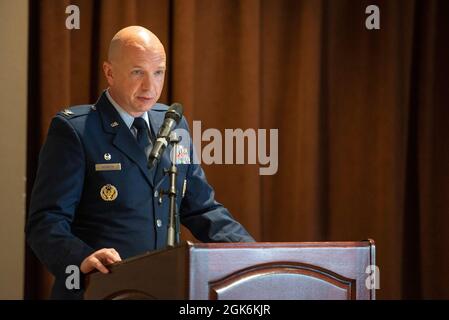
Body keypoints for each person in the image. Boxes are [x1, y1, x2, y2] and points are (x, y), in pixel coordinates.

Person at [26, 26, 254, 299]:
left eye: (158, 72)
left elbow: (201, 207)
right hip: (98, 290)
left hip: (160, 291)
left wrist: (252, 254)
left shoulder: (173, 123)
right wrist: (82, 258)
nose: (150, 86)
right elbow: (46, 222)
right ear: (109, 72)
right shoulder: (75, 130)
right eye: (138, 72)